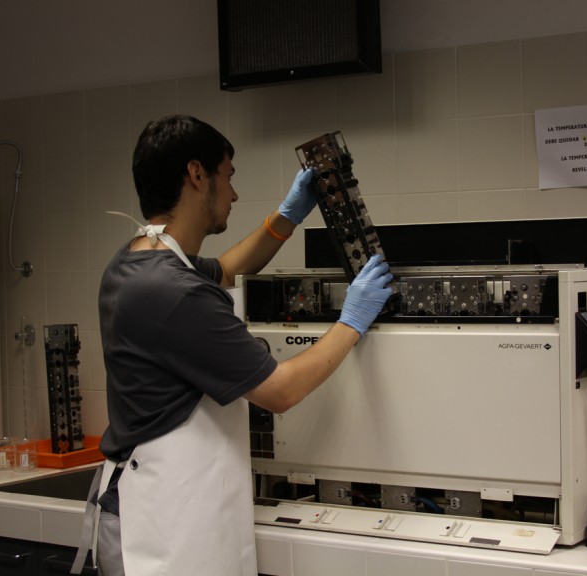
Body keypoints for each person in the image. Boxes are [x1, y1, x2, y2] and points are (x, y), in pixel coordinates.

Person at [82, 114, 393, 576]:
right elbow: (281, 389)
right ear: (196, 174)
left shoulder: (138, 259)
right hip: (162, 528)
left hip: (160, 506)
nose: (233, 194)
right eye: (228, 176)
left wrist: (287, 217)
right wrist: (351, 321)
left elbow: (227, 270)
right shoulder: (174, 292)